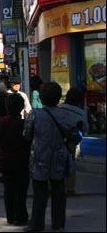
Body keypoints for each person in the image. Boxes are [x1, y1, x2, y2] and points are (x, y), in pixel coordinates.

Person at [23, 82, 80, 232]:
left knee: (40, 193)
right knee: (59, 191)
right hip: (59, 157)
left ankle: (37, 224)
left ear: (41, 98)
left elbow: (27, 135)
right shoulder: (66, 115)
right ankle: (58, 223)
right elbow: (74, 135)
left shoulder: (35, 114)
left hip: (40, 157)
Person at [0, 93, 31, 226]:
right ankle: (20, 215)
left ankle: (10, 215)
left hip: (6, 159)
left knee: (9, 188)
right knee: (21, 189)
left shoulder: (0, 122)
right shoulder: (23, 124)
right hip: (21, 160)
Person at [59, 87, 89, 196]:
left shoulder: (59, 108)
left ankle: (54, 185)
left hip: (56, 140)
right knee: (70, 163)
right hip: (71, 142)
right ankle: (70, 188)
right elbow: (85, 128)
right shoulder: (80, 113)